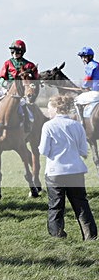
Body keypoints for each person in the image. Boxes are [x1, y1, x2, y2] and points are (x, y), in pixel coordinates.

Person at [38, 94, 97, 240]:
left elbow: (43, 151)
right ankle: (90, 236)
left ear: (56, 108)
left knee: (56, 206)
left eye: (49, 108)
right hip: (76, 171)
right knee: (81, 204)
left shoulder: (48, 125)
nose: (48, 111)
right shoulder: (77, 125)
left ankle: (58, 236)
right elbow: (84, 150)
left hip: (55, 171)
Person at [0, 39, 39, 131]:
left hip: (20, 93)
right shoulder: (7, 63)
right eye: (12, 51)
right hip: (6, 90)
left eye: (17, 51)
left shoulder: (29, 65)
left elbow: (35, 79)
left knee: (23, 103)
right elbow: (0, 78)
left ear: (22, 52)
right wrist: (6, 84)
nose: (14, 53)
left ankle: (26, 124)